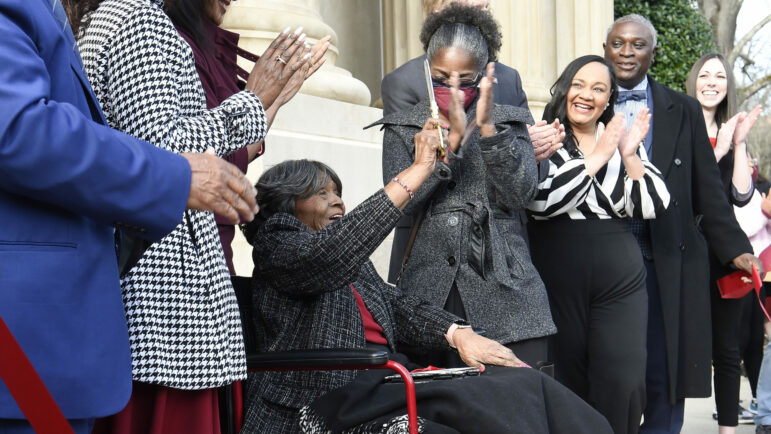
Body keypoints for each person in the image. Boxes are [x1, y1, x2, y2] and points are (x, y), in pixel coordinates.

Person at [0, 1, 259, 432]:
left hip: (66, 340)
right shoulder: (133, 17)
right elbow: (20, 130)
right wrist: (254, 105)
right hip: (138, 324)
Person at [70, 0, 312, 432]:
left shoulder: (111, 16)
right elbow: (164, 155)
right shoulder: (136, 18)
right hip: (164, 308)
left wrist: (260, 108)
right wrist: (252, 101)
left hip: (159, 305)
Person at [239, 155, 612, 433]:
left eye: (338, 192)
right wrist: (418, 170)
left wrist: (458, 333)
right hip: (326, 398)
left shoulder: (341, 253)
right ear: (288, 205)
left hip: (383, 381)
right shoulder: (278, 245)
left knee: (525, 385)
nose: (337, 201)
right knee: (486, 409)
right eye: (322, 193)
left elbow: (395, 304)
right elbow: (329, 256)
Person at [603, 14, 762, 434]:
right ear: (606, 49)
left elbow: (707, 189)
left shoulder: (685, 109)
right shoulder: (583, 96)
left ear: (653, 54)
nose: (626, 52)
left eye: (637, 45)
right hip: (602, 257)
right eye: (618, 44)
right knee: (611, 372)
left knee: (664, 370)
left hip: (666, 257)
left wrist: (735, 247)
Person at [377, 3, 556, 368]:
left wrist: (489, 132)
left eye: (465, 79)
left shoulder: (508, 120)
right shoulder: (403, 126)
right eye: (441, 78)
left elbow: (521, 194)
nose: (453, 89)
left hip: (507, 287)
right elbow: (401, 206)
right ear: (427, 69)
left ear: (484, 74)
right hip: (429, 294)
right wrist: (451, 148)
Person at [526, 54, 670, 434]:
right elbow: (541, 201)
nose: (586, 95)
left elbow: (653, 204)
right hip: (557, 270)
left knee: (624, 379)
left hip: (619, 274)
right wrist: (600, 155)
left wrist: (628, 155)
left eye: (599, 89)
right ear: (565, 88)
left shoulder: (620, 141)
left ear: (609, 101)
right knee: (567, 377)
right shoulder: (544, 137)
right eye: (579, 84)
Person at [167, 0, 330, 274]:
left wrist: (276, 97)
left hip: (213, 238)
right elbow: (182, 152)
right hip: (178, 243)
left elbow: (234, 155)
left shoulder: (205, 44)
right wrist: (255, 97)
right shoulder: (167, 39)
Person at [685, 52, 762, 432]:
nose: (711, 82)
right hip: (683, 251)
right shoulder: (679, 127)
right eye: (705, 75)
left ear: (728, 86)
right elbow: (686, 190)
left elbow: (742, 195)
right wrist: (717, 148)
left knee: (728, 350)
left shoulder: (732, 134)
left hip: (727, 255)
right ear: (693, 81)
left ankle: (727, 429)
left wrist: (740, 144)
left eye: (719, 76)